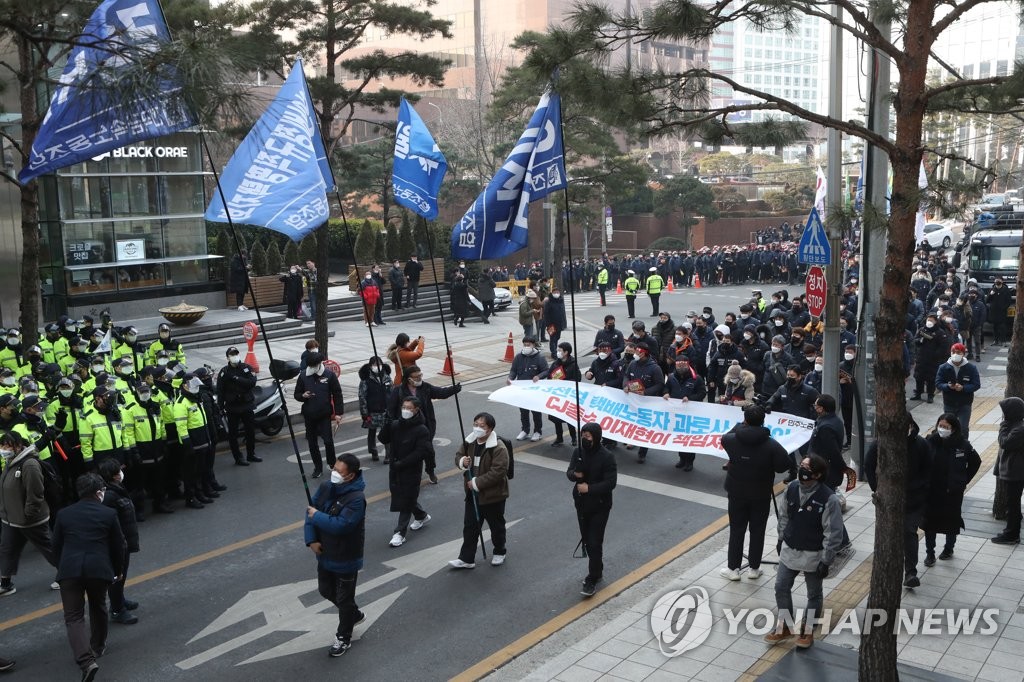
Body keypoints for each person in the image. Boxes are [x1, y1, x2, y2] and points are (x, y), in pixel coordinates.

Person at [764, 454, 844, 649]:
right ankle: (785, 625)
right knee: (781, 586)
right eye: (801, 466)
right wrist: (781, 538)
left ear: (817, 474)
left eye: (807, 468)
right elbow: (783, 515)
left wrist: (826, 561)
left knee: (814, 594)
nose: (802, 470)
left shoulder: (829, 499)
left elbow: (833, 533)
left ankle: (807, 631)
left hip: (814, 555)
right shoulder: (791, 488)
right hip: (790, 548)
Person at [53, 473, 126, 682]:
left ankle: (85, 661)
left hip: (69, 571)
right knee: (98, 606)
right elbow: (118, 546)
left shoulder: (64, 514)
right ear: (98, 492)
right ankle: (98, 646)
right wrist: (118, 570)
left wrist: (62, 567)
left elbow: (55, 545)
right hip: (98, 570)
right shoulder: (108, 514)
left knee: (73, 617)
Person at [305, 453, 367, 658]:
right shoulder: (326, 487)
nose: (334, 474)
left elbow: (341, 526)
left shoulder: (357, 499)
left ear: (351, 476)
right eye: (334, 469)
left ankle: (344, 637)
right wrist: (311, 540)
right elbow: (310, 512)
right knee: (325, 590)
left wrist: (317, 516)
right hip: (325, 553)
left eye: (339, 472)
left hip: (346, 557)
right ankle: (354, 615)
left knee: (344, 598)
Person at [721, 405, 792, 581]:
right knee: (757, 530)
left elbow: (729, 434)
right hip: (760, 492)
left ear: (745, 420)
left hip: (736, 491)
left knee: (736, 529)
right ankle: (754, 568)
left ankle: (733, 569)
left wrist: (742, 424)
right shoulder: (771, 445)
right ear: (763, 422)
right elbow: (783, 465)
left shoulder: (730, 440)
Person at [864, 417, 932, 586]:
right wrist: (877, 489)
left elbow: (928, 470)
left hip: (913, 499)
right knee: (889, 532)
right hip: (888, 498)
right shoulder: (880, 443)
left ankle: (910, 572)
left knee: (909, 532)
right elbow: (868, 466)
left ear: (910, 425)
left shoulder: (921, 444)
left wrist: (919, 488)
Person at [0, 431, 58, 596]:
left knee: (49, 547)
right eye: (2, 445)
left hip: (30, 520)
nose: (3, 449)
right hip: (10, 519)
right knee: (7, 549)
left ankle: (68, 574)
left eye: (7, 445)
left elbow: (35, 494)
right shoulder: (10, 461)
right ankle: (5, 583)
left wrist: (28, 515)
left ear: (18, 446)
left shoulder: (29, 465)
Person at [450, 412, 510, 568]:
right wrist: (463, 461)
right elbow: (458, 456)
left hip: (493, 495)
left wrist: (477, 482)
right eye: (475, 424)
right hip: (472, 494)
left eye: (481, 426)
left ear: (490, 429)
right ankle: (466, 558)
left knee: (496, 526)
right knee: (470, 526)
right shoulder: (469, 442)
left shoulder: (498, 447)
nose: (477, 428)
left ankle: (499, 551)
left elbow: (498, 472)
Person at [922, 414, 980, 564]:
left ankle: (949, 548)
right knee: (930, 523)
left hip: (952, 492)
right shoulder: (930, 441)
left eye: (946, 427)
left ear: (953, 429)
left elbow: (976, 462)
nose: (942, 429)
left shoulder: (963, 445)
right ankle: (930, 553)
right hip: (932, 490)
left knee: (951, 521)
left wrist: (963, 480)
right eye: (940, 426)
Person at [567, 423, 617, 598]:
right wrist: (576, 475)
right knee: (588, 542)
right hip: (581, 504)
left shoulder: (607, 457)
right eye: (583, 436)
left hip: (600, 506)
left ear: (596, 437)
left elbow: (611, 483)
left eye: (588, 436)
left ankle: (592, 577)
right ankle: (598, 567)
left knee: (595, 542)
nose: (585, 439)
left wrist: (590, 488)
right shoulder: (577, 452)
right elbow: (569, 473)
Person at [380, 397, 433, 547]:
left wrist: (403, 463)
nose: (405, 410)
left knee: (406, 499)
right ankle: (421, 515)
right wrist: (387, 423)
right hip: (395, 469)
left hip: (411, 469)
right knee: (403, 495)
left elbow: (421, 452)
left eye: (409, 408)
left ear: (416, 410)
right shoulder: (396, 424)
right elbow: (383, 438)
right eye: (404, 407)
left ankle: (399, 533)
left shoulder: (422, 430)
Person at [97, 459, 140, 625]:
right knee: (117, 576)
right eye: (118, 471)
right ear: (114, 476)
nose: (121, 473)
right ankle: (117, 609)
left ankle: (120, 600)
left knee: (121, 576)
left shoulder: (116, 489)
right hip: (117, 543)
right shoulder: (108, 496)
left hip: (123, 540)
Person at [294, 352, 344, 478]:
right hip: (309, 414)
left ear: (319, 364)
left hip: (324, 414)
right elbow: (297, 394)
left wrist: (338, 413)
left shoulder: (329, 375)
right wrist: (303, 396)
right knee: (312, 443)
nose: (312, 368)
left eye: (314, 365)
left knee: (328, 441)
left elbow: (337, 394)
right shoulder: (303, 375)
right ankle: (318, 467)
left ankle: (332, 463)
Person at [216, 346, 261, 466]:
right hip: (232, 407)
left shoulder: (246, 368)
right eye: (232, 355)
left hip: (246, 405)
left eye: (236, 354)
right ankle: (238, 457)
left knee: (250, 431)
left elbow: (252, 382)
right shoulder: (224, 372)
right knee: (233, 434)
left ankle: (251, 454)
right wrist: (220, 407)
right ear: (227, 358)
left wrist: (236, 378)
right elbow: (220, 391)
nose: (234, 356)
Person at [664, 355, 707, 470]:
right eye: (678, 365)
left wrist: (690, 398)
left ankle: (690, 462)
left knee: (688, 438)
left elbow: (702, 393)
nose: (680, 367)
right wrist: (666, 393)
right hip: (676, 412)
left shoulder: (696, 378)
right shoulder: (672, 377)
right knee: (679, 437)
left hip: (690, 414)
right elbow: (666, 388)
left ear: (688, 365)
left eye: (683, 365)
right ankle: (682, 458)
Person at [534, 342, 581, 447]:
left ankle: (574, 438)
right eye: (558, 350)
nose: (558, 352)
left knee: (569, 417)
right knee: (556, 418)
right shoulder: (556, 363)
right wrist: (539, 377)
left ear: (566, 352)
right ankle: (559, 438)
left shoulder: (573, 364)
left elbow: (577, 379)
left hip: (568, 395)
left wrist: (565, 382)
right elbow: (549, 373)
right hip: (557, 395)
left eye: (560, 350)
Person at [992, 397, 1024, 544]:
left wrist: (1004, 425)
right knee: (1012, 504)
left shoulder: (1019, 428)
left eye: (1005, 412)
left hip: (1016, 473)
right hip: (1013, 471)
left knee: (1013, 504)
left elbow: (1004, 442)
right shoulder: (1016, 425)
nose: (1003, 415)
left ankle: (1012, 535)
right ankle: (1010, 531)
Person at [935, 342, 980, 440]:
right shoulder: (943, 367)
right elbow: (938, 383)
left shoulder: (971, 368)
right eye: (953, 352)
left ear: (963, 354)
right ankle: (949, 446)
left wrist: (963, 388)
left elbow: (976, 384)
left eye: (958, 352)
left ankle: (963, 446)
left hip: (965, 403)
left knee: (963, 428)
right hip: (949, 403)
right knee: (948, 427)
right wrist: (947, 386)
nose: (955, 354)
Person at [508, 337, 548, 442]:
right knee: (523, 411)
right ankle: (525, 430)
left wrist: (539, 376)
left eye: (528, 345)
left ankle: (537, 431)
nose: (526, 347)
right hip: (522, 390)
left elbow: (546, 371)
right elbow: (513, 371)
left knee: (536, 412)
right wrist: (510, 378)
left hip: (535, 390)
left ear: (533, 345)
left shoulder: (539, 357)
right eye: (525, 344)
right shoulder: (518, 357)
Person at [358, 357, 392, 462]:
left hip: (385, 410)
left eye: (379, 364)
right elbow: (362, 397)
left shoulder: (387, 378)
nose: (377, 366)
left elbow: (392, 392)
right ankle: (373, 451)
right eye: (374, 364)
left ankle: (388, 455)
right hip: (372, 411)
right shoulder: (366, 380)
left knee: (387, 433)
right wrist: (364, 413)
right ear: (370, 366)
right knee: (372, 432)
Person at [542, 288, 567, 357]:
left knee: (557, 337)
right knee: (553, 338)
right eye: (555, 292)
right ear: (552, 293)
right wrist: (548, 324)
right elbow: (546, 314)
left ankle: (555, 349)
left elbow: (563, 313)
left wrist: (564, 323)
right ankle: (553, 352)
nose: (556, 294)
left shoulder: (561, 301)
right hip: (551, 325)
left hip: (559, 324)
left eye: (557, 292)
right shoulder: (548, 302)